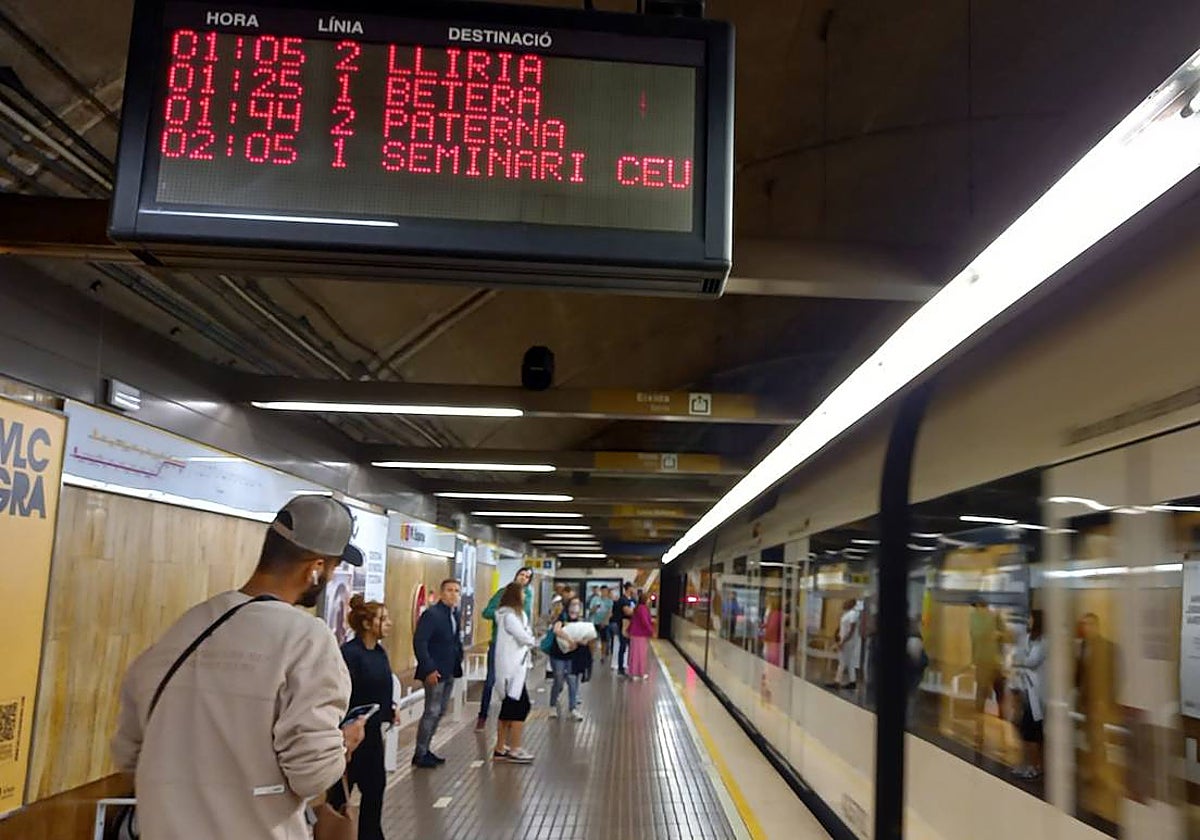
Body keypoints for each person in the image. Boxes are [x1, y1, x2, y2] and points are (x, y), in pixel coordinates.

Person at [112, 495, 368, 839]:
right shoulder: (307, 639)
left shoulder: (189, 625)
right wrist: (343, 743)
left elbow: (129, 753)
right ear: (316, 567)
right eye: (334, 566)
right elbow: (313, 774)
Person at [328, 596, 396, 840]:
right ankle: (332, 832)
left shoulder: (379, 652)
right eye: (383, 619)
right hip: (349, 736)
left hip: (372, 734)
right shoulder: (349, 654)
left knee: (375, 788)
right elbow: (340, 693)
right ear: (367, 624)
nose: (389, 623)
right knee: (339, 793)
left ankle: (371, 835)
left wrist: (391, 708)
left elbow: (382, 687)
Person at [412, 579, 464, 769]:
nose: (453, 594)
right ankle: (420, 753)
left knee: (440, 711)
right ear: (442, 593)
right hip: (435, 671)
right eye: (449, 590)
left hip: (449, 669)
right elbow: (420, 642)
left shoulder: (454, 614)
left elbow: (454, 640)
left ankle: (426, 748)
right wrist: (428, 668)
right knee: (431, 711)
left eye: (457, 591)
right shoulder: (432, 615)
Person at [476, 567, 533, 731]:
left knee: (515, 684)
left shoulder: (527, 597)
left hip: (517, 648)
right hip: (499, 643)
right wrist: (500, 615)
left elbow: (525, 622)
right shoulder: (503, 593)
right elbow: (486, 612)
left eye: (527, 577)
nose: (524, 578)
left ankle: (509, 716)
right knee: (492, 680)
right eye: (522, 575)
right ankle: (483, 715)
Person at [493, 582, 537, 764]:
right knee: (520, 708)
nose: (525, 597)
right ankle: (515, 748)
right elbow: (525, 637)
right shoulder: (509, 617)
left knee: (508, 710)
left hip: (514, 668)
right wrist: (531, 638)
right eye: (522, 594)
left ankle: (500, 747)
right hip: (511, 669)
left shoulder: (513, 615)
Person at [1076, 612, 1118, 792]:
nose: (1087, 628)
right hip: (1086, 699)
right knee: (1091, 737)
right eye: (1084, 624)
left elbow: (1112, 677)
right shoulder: (1084, 645)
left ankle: (1100, 773)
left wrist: (1106, 700)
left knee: (1098, 738)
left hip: (1099, 701)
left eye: (1090, 624)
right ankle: (1094, 771)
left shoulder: (1107, 647)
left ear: (1097, 626)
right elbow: (1081, 672)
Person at [1010, 610, 1046, 780]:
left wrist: (1020, 660)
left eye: (1031, 618)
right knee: (1025, 729)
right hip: (1026, 690)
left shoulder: (1044, 642)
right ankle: (1028, 763)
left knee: (1031, 731)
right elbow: (1019, 656)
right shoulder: (1028, 639)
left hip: (1036, 694)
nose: (1028, 621)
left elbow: (1031, 661)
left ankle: (1034, 765)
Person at [969, 597, 1006, 750]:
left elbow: (1006, 636)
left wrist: (999, 635)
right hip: (988, 663)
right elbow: (975, 640)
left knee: (991, 700)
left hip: (992, 663)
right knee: (988, 700)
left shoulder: (992, 616)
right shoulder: (976, 618)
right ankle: (982, 735)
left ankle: (991, 737)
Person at [549, 598, 591, 719]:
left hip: (572, 656)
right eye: (573, 605)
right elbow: (557, 630)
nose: (575, 608)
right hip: (558, 655)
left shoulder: (581, 621)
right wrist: (570, 639)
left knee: (572, 681)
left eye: (578, 605)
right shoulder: (562, 617)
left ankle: (573, 708)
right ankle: (552, 705)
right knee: (558, 679)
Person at [627, 592, 655, 680]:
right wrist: (651, 631)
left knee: (634, 654)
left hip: (635, 634)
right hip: (640, 634)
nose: (649, 600)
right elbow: (645, 621)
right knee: (640, 655)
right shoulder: (643, 609)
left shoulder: (638, 608)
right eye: (648, 599)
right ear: (645, 600)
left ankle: (633, 672)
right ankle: (640, 673)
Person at [834, 599, 861, 690]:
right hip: (844, 640)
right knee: (850, 662)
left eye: (846, 602)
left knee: (842, 661)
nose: (844, 603)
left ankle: (837, 681)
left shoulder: (853, 614)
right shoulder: (846, 614)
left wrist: (843, 641)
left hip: (848, 642)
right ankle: (852, 682)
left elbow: (851, 630)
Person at [614, 583, 636, 676]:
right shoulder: (623, 600)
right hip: (624, 625)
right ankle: (620, 668)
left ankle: (630, 666)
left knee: (631, 647)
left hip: (631, 626)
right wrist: (636, 611)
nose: (634, 590)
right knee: (623, 646)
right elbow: (628, 612)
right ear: (629, 588)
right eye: (633, 588)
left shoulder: (632, 599)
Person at [589, 585, 614, 660]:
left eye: (606, 591)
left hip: (604, 623)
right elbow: (590, 611)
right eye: (603, 591)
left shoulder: (609, 601)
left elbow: (610, 613)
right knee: (593, 639)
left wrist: (605, 621)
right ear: (600, 591)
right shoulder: (595, 599)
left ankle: (602, 655)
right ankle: (592, 655)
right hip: (595, 621)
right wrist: (595, 608)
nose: (604, 593)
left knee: (604, 640)